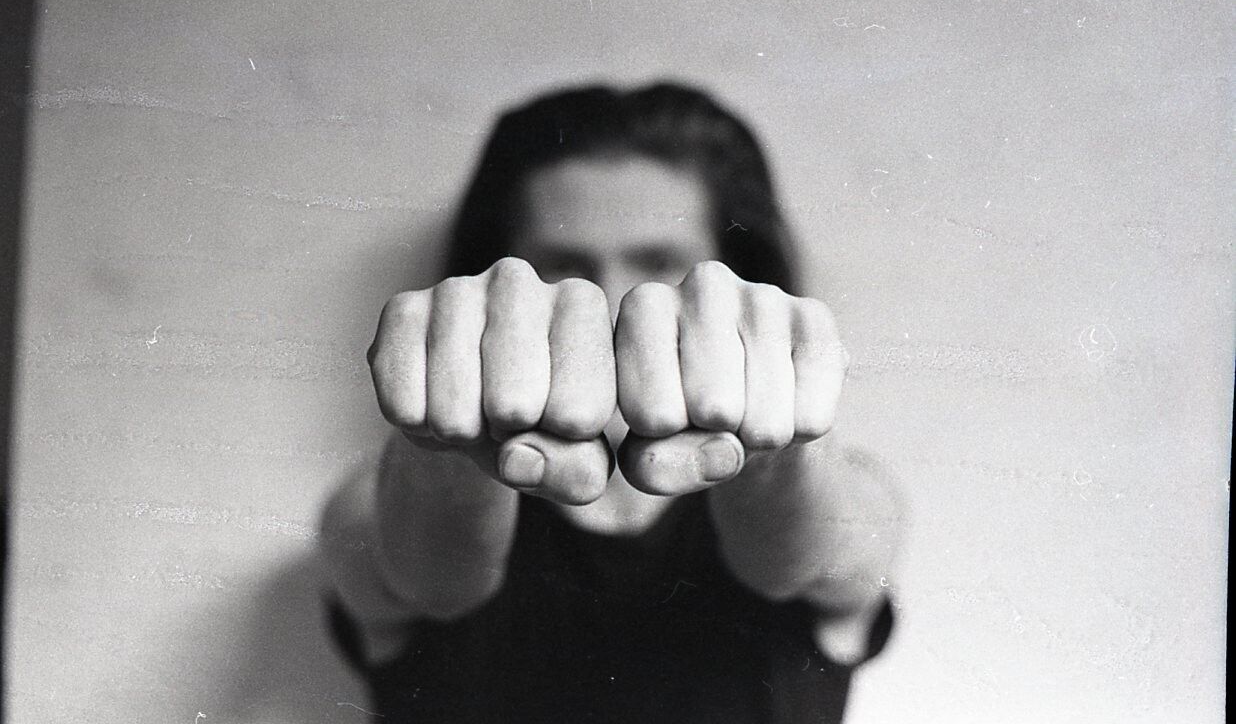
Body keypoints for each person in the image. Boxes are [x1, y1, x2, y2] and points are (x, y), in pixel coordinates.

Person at [318, 81, 901, 723]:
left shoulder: (850, 492)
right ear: (500, 280)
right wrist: (449, 442)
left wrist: (770, 448)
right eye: (564, 266)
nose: (614, 301)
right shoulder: (379, 500)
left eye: (659, 264)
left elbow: (817, 554)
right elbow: (427, 577)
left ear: (730, 282)